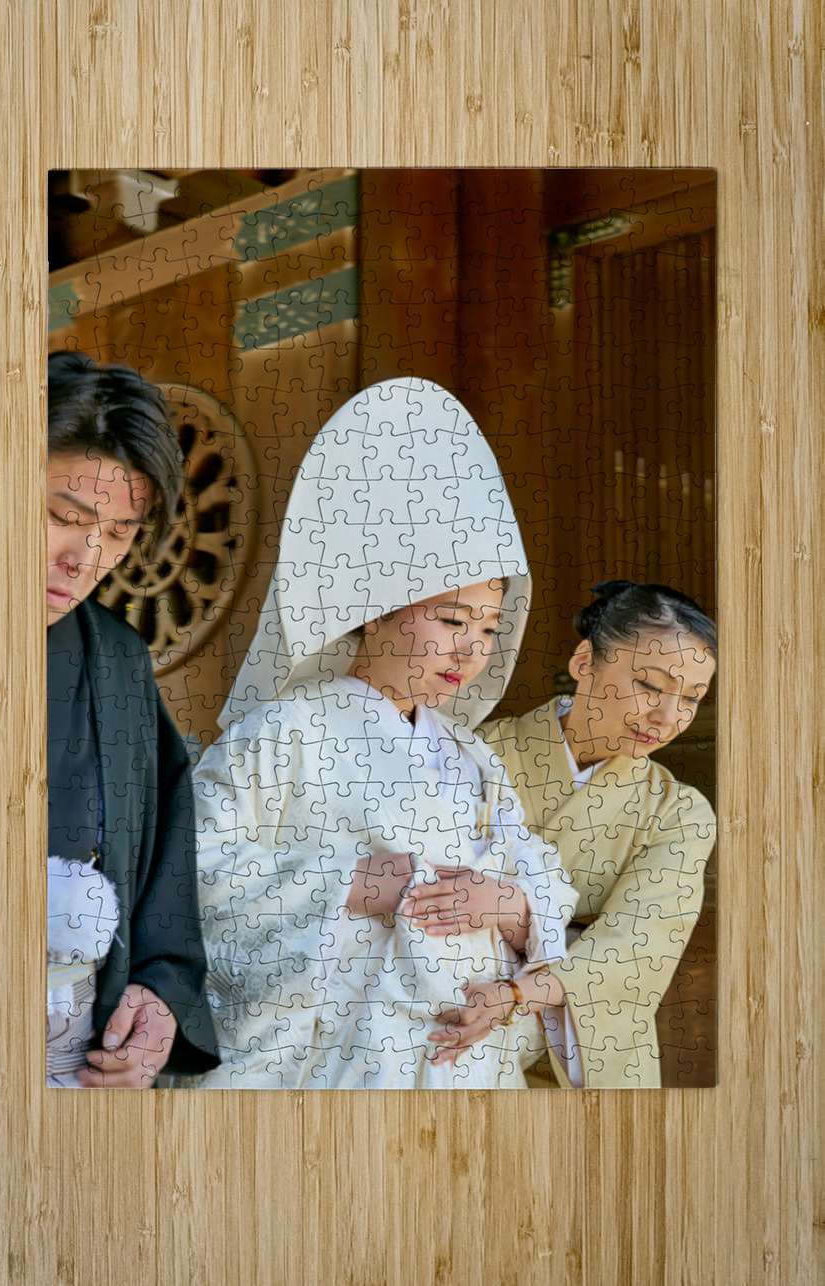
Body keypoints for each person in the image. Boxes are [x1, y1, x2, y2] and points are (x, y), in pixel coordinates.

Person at [187, 379, 577, 1089]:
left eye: (489, 630)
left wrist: (514, 909)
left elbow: (541, 874)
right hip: (336, 1068)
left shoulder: (473, 758)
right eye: (452, 622)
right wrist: (355, 882)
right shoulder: (279, 733)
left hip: (464, 1064)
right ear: (372, 610)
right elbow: (195, 876)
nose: (472, 652)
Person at [46, 350, 219, 1086]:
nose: (84, 558)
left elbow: (167, 867)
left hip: (71, 1052)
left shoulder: (116, 660)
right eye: (64, 517)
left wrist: (161, 994)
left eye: (117, 535)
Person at [480, 581, 717, 1088]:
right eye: (651, 685)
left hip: (584, 1036)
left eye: (692, 699)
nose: (669, 716)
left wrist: (518, 988)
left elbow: (635, 947)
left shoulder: (680, 812)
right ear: (584, 662)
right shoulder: (478, 752)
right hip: (457, 989)